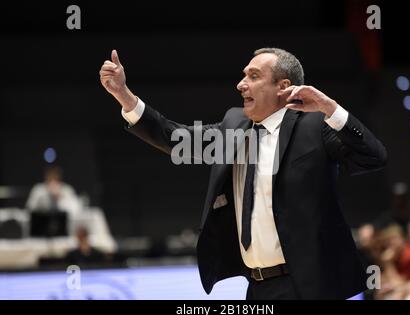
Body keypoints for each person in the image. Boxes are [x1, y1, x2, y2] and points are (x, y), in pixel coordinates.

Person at [99, 48, 387, 300]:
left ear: (283, 86)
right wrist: (124, 96)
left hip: (309, 287)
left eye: (253, 76)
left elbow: (373, 157)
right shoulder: (234, 126)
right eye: (243, 76)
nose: (241, 84)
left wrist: (329, 108)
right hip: (256, 286)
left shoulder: (314, 126)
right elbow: (176, 138)